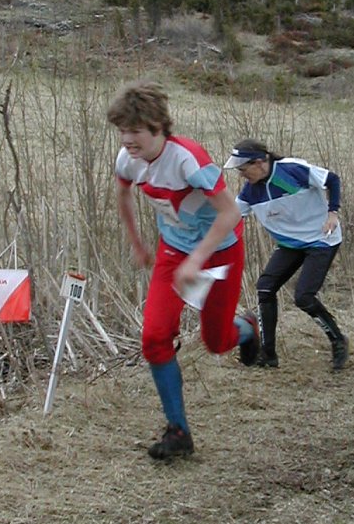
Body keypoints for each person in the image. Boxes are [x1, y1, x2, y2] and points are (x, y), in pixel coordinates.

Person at [106, 82, 259, 460]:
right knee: (154, 338)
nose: (127, 139)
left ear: (157, 126)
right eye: (122, 130)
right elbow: (123, 194)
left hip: (220, 251)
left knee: (215, 342)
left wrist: (197, 259)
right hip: (173, 252)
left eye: (135, 130)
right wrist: (137, 243)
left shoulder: (189, 159)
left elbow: (230, 213)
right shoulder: (128, 159)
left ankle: (248, 328)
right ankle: (178, 432)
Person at [224, 138, 348, 371]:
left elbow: (332, 179)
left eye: (243, 169)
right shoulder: (251, 192)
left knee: (304, 297)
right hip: (291, 244)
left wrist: (333, 213)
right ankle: (268, 354)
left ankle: (338, 340)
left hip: (321, 239)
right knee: (265, 288)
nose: (241, 175)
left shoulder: (291, 171)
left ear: (259, 162)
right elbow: (230, 219)